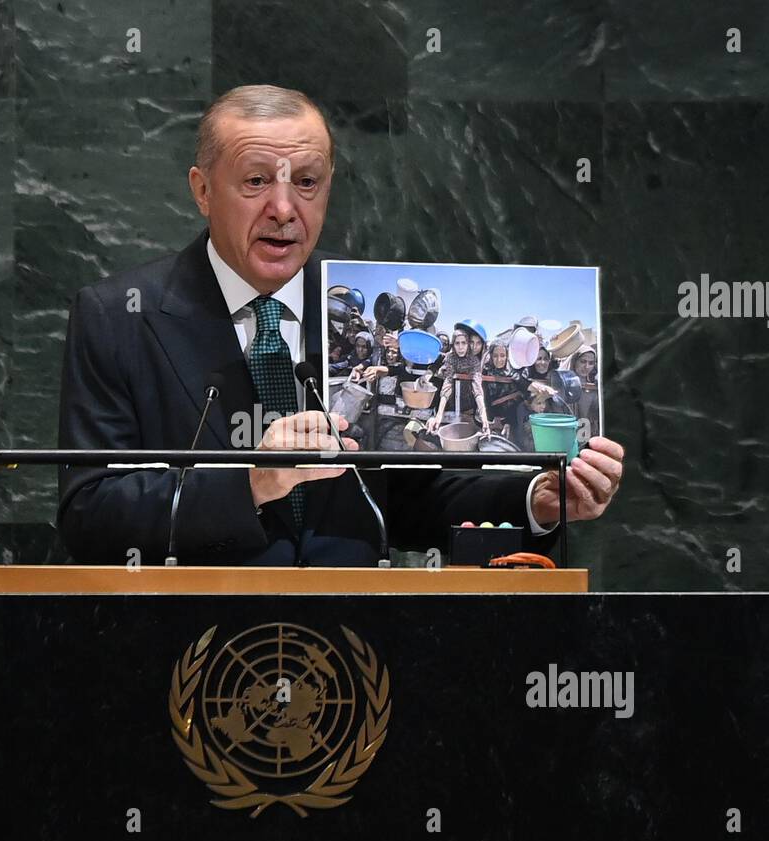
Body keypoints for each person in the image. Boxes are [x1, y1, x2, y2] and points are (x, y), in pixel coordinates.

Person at [57, 84, 624, 566]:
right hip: (191, 649)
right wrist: (252, 481)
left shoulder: (358, 318)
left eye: (306, 182)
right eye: (256, 182)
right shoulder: (118, 318)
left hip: (355, 648)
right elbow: (89, 516)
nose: (284, 209)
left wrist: (538, 500)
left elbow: (413, 495)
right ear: (203, 190)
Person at [427, 323, 489, 438]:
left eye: (464, 343)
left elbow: (477, 387)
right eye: (457, 343)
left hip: (470, 410)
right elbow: (448, 383)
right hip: (449, 407)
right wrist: (438, 415)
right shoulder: (449, 358)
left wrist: (484, 416)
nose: (461, 347)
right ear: (453, 344)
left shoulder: (476, 361)